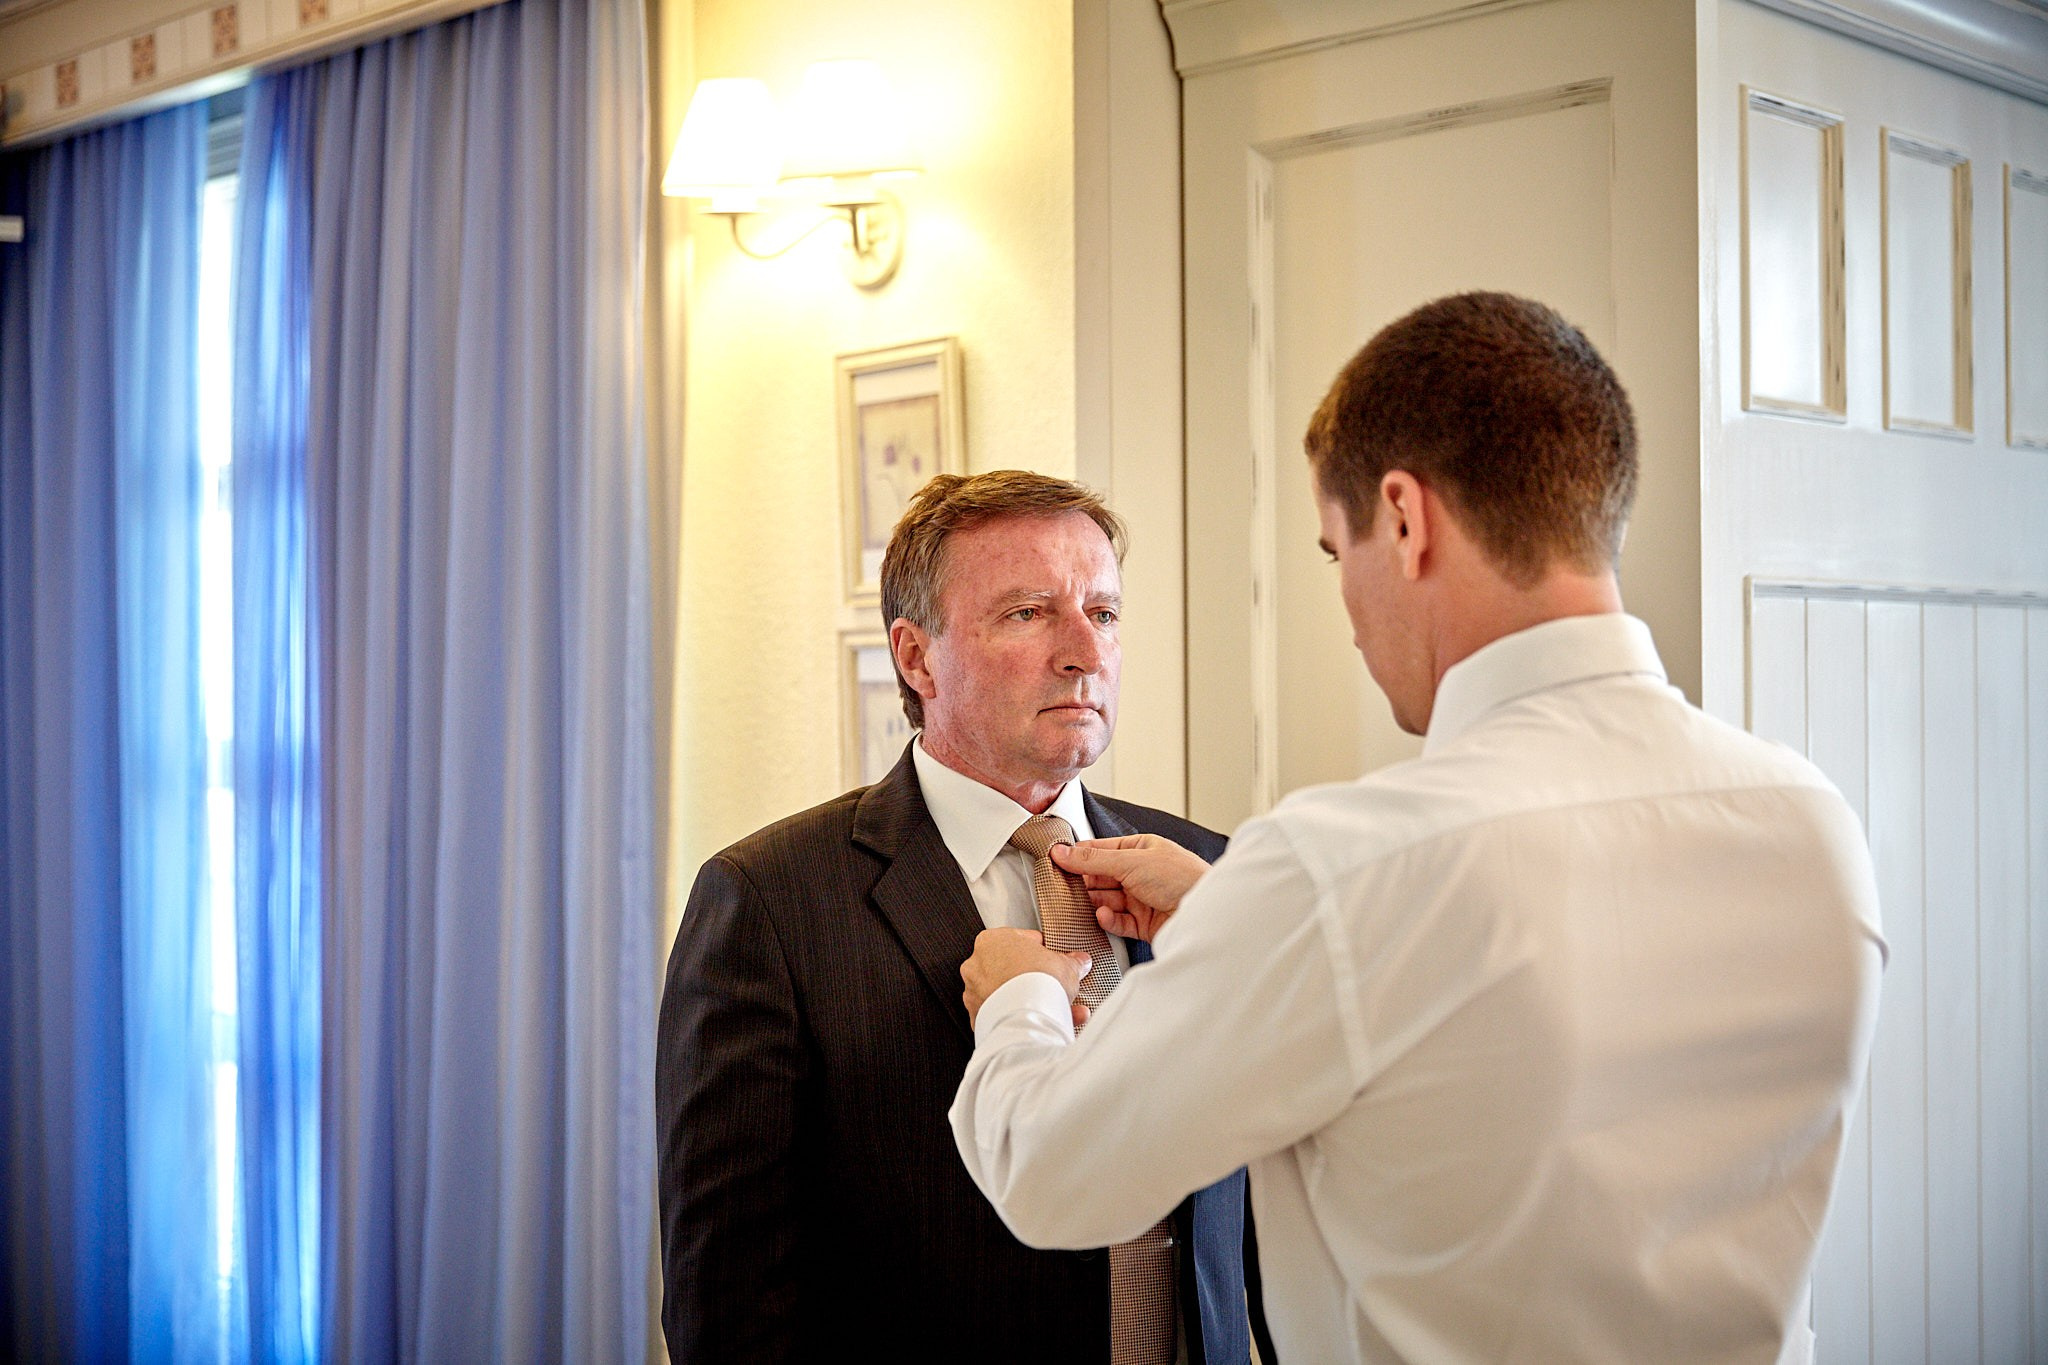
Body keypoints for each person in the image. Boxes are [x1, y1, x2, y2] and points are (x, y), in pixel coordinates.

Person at [950, 293, 1886, 1363]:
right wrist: (1234, 921)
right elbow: (1489, 1042)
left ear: (1403, 517)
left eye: (1331, 549)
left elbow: (1047, 1174)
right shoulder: (1806, 822)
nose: (1348, 611)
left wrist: (1020, 995)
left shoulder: (1342, 870)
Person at [656, 471, 1261, 1363]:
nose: (1083, 652)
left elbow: (1271, 1225)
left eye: (1103, 612)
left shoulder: (1206, 870)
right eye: (1027, 613)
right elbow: (731, 1307)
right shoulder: (770, 902)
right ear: (915, 657)